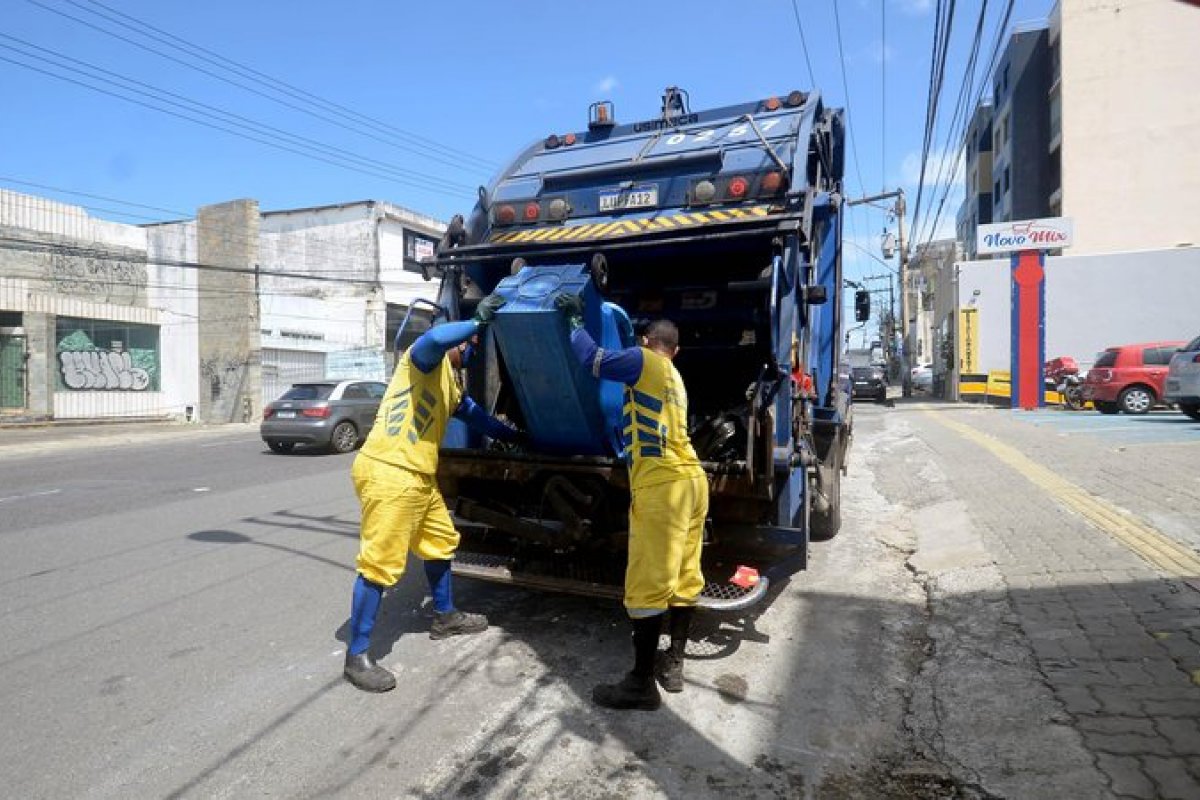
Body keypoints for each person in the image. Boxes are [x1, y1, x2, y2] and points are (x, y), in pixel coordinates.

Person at [343, 292, 521, 693]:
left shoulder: (451, 387)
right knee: (380, 565)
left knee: (441, 542)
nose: (472, 351)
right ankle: (356, 656)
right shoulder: (421, 361)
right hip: (389, 471)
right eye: (470, 346)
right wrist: (478, 322)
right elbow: (435, 341)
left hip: (418, 478)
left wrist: (513, 437)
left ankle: (444, 616)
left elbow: (478, 417)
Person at [554, 292, 708, 711]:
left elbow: (594, 359)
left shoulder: (644, 362)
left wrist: (572, 322)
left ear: (644, 341)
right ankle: (672, 664)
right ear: (676, 350)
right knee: (683, 575)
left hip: (664, 488)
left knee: (646, 584)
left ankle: (641, 683)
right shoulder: (674, 377)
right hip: (693, 483)